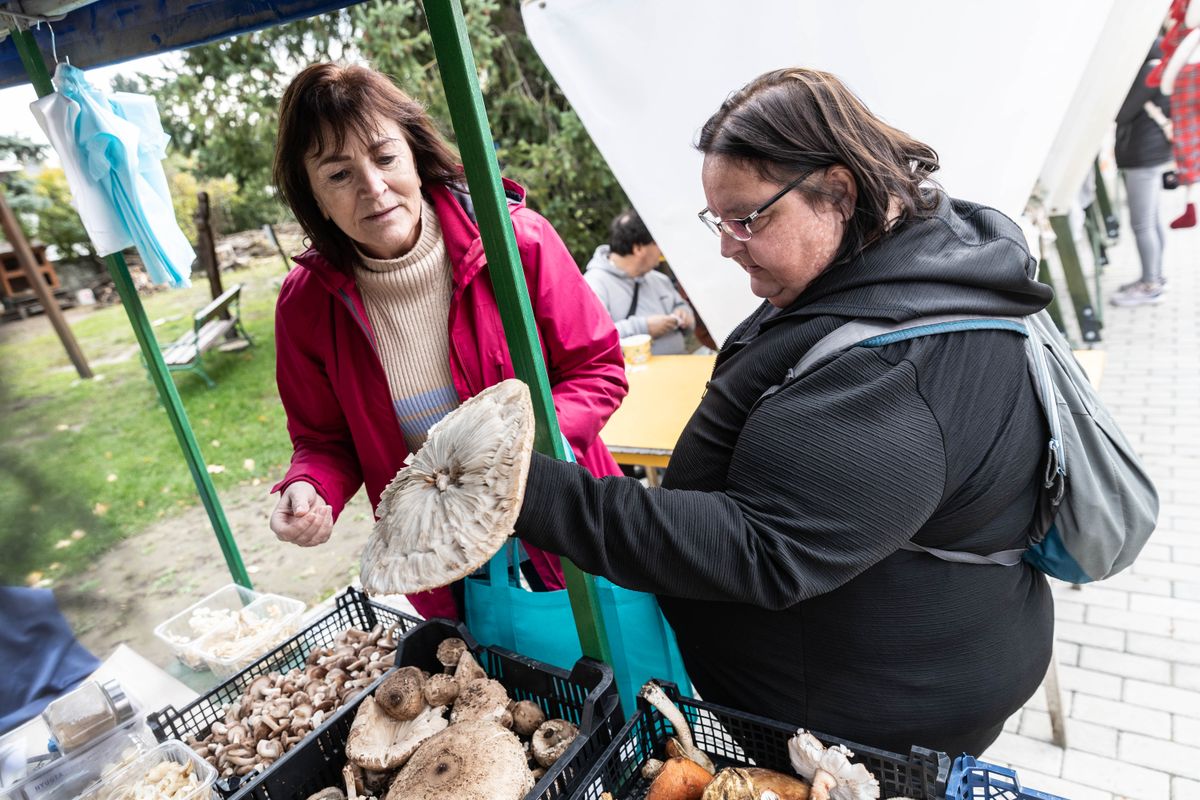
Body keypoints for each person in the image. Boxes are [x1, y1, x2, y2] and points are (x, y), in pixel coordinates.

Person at [503, 68, 1056, 756]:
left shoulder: (900, 368)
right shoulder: (891, 264)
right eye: (718, 220)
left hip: (873, 729)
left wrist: (526, 488)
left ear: (839, 191)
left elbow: (763, 547)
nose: (726, 244)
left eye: (747, 218)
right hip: (866, 686)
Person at [267, 63, 628, 620]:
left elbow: (597, 371)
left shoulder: (516, 244)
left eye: (385, 157)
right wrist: (311, 485)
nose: (373, 188)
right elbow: (322, 438)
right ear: (311, 193)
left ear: (413, 153)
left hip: (564, 516)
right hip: (443, 557)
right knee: (506, 694)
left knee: (626, 678)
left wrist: (511, 458)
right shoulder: (306, 305)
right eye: (339, 175)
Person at [1112, 39, 1173, 307]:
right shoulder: (1168, 67)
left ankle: (1150, 286)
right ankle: (1154, 277)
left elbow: (1122, 113)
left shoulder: (1150, 70)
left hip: (1142, 154)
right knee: (1152, 219)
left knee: (1142, 224)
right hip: (1155, 151)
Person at [584, 209, 695, 354]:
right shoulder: (594, 285)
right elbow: (594, 339)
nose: (661, 249)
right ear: (638, 248)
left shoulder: (659, 279)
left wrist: (684, 314)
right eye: (656, 243)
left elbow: (683, 310)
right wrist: (643, 327)